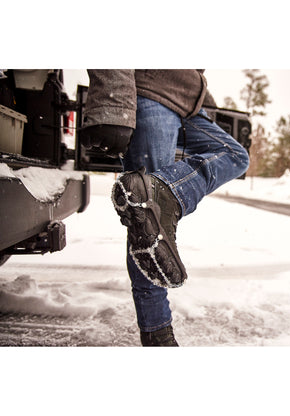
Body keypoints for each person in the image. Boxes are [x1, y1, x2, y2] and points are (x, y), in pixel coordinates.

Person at [82, 70, 250, 346]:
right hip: (152, 97)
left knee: (234, 155)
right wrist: (114, 102)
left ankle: (164, 191)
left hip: (186, 108)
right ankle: (157, 333)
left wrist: (201, 97)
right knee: (147, 222)